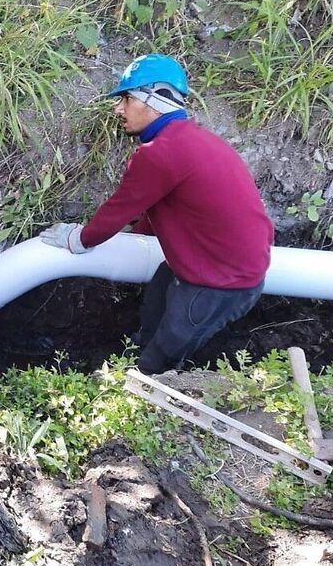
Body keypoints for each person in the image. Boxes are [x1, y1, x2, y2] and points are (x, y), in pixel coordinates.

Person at [39, 54, 273, 374]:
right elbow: (167, 203)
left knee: (162, 353)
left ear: (154, 99)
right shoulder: (191, 140)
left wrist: (78, 239)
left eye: (126, 98)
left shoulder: (161, 152)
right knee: (153, 308)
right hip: (213, 262)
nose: (118, 109)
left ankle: (143, 382)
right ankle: (134, 352)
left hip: (221, 284)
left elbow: (118, 209)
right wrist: (138, 237)